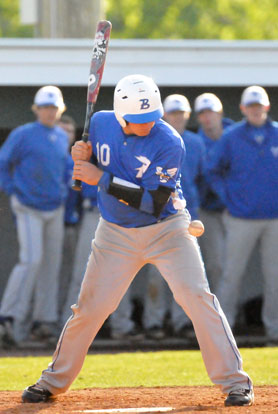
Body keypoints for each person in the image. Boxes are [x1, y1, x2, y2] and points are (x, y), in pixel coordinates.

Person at [22, 74, 253, 407]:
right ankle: (52, 382)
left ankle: (235, 382)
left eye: (151, 118)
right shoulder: (100, 123)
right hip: (115, 232)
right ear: (119, 114)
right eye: (138, 120)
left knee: (198, 299)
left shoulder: (170, 142)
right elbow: (97, 161)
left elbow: (152, 202)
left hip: (167, 228)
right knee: (89, 309)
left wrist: (98, 176)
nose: (146, 125)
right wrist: (82, 154)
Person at [205, 85, 278, 345]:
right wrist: (228, 198)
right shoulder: (231, 136)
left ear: (266, 107)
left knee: (275, 277)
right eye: (251, 107)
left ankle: (274, 332)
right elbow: (211, 169)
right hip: (240, 217)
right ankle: (223, 333)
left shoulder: (277, 133)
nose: (256, 111)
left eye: (259, 107)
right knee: (230, 275)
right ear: (243, 109)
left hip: (274, 218)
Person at [0, 86, 68, 345]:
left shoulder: (62, 137)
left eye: (53, 108)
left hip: (54, 206)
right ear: (36, 110)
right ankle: (7, 316)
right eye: (45, 108)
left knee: (51, 263)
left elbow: (65, 169)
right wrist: (11, 190)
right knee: (32, 259)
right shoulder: (23, 134)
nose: (49, 112)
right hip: (28, 204)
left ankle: (44, 320)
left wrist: (64, 191)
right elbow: (3, 162)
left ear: (59, 110)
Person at [194, 93, 234, 292]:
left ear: (220, 113)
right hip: (208, 210)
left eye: (211, 112)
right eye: (203, 113)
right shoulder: (196, 142)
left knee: (235, 265)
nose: (208, 117)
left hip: (237, 210)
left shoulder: (236, 135)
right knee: (216, 264)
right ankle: (219, 315)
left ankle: (233, 315)